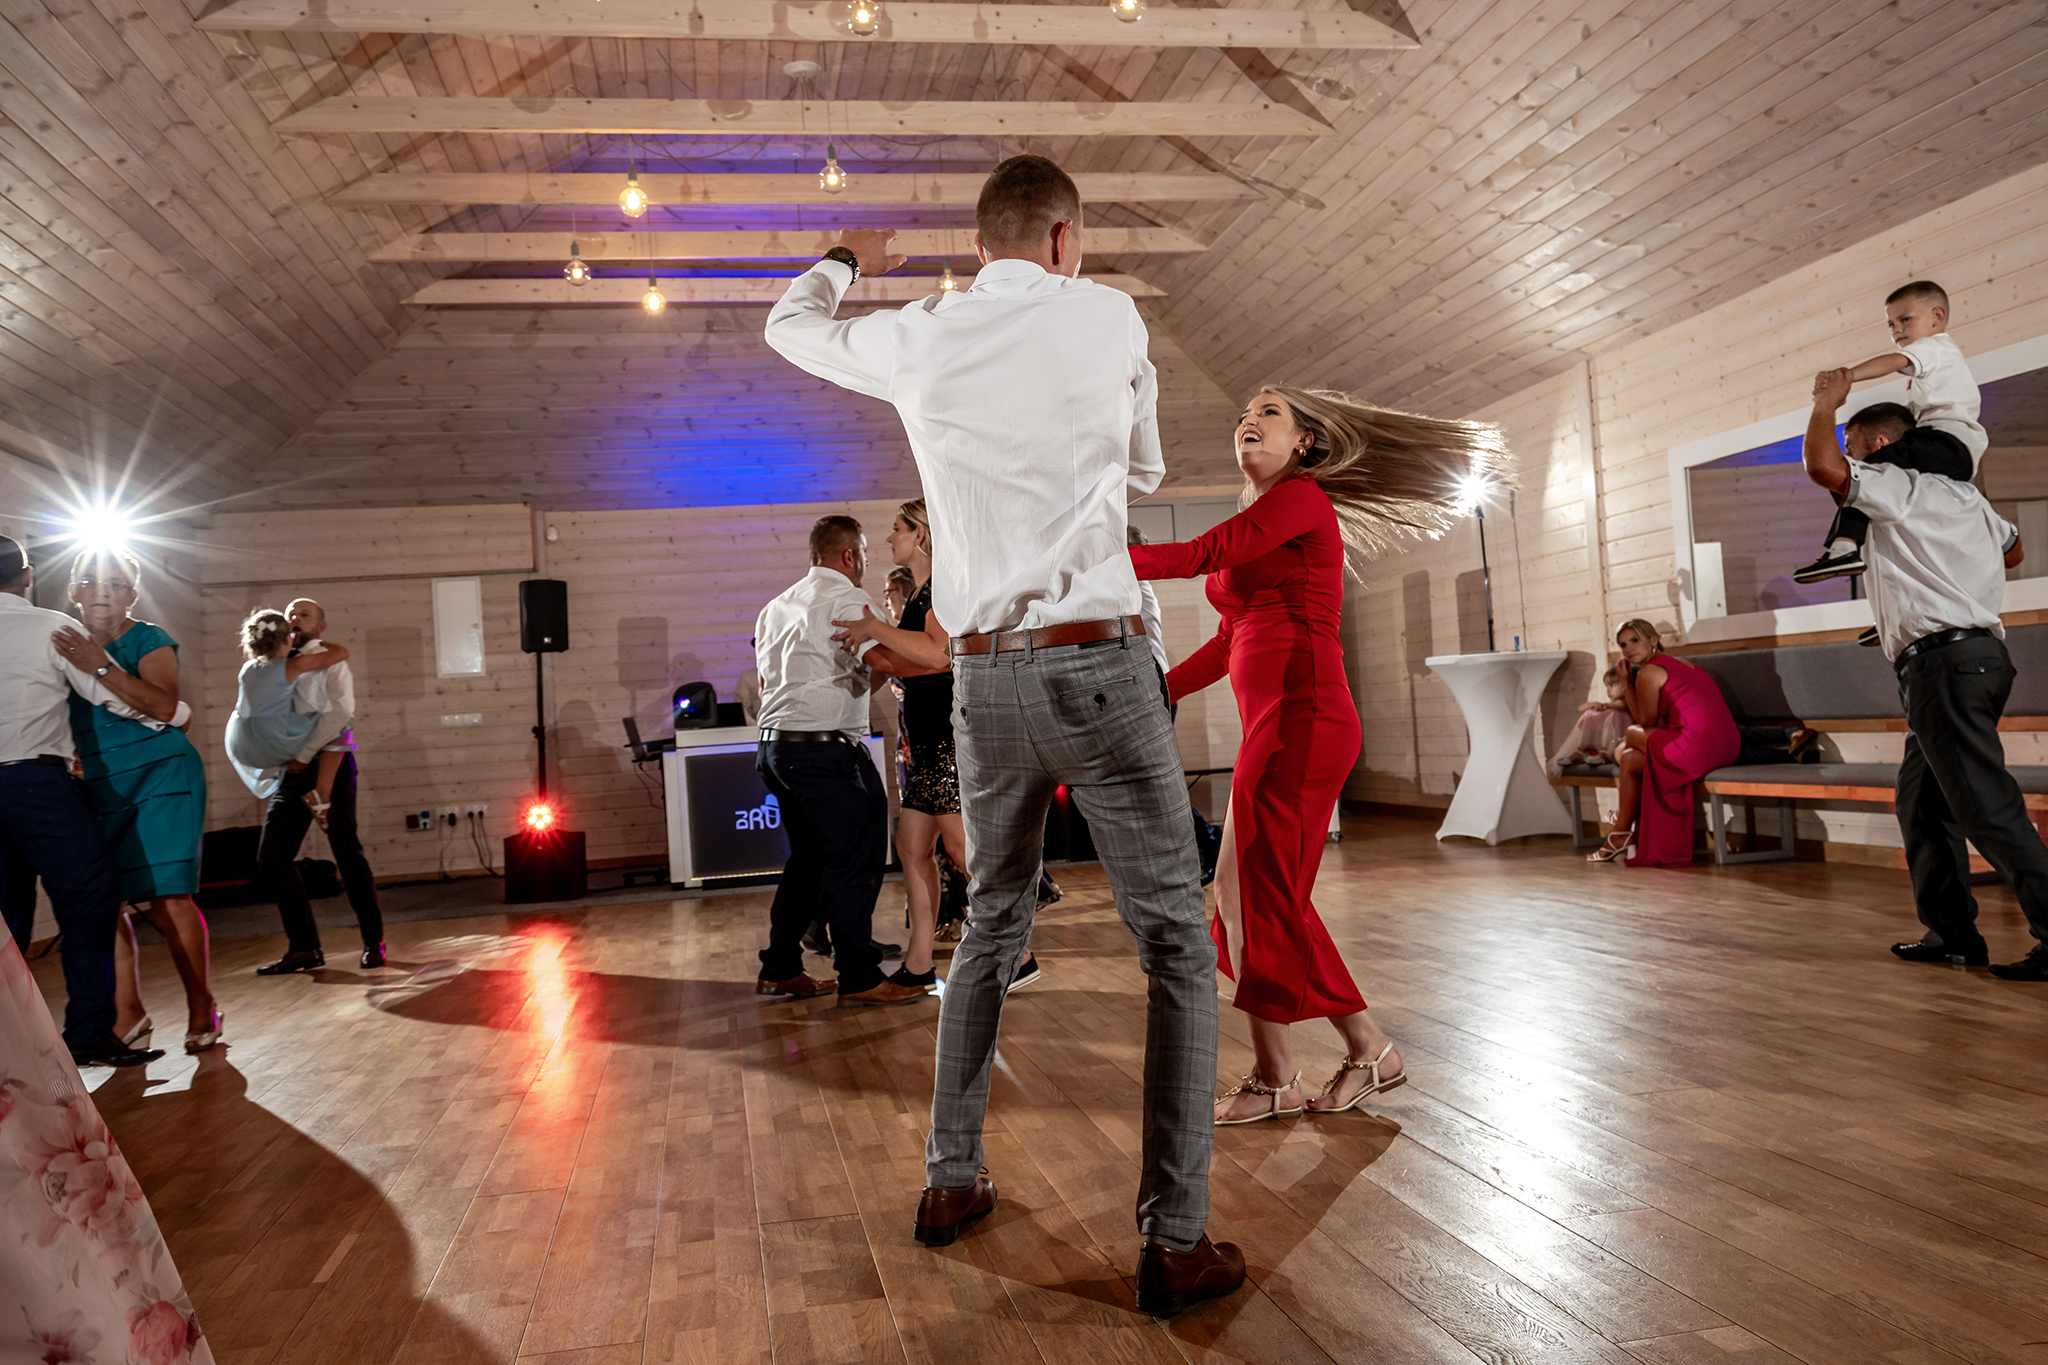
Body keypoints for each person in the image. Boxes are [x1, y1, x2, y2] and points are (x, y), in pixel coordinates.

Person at [770, 153, 1242, 1315]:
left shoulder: (924, 335)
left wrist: (845, 261)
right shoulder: (1107, 316)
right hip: (1100, 661)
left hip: (983, 679)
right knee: (1173, 944)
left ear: (979, 247)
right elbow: (1141, 469)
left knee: (987, 925)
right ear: (1065, 238)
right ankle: (1172, 1239)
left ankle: (949, 1179)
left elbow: (789, 327)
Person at [1132, 385, 1505, 1125]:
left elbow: (1203, 554)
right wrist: (1158, 694)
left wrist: (1103, 557)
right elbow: (1232, 637)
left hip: (1305, 718)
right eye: (1243, 413)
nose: (1248, 420)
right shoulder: (1260, 515)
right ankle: (1281, 1073)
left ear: (1304, 440)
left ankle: (1364, 1047)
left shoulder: (1300, 500)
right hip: (1270, 724)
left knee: (1266, 895)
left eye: (1268, 412)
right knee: (1238, 894)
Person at [1798, 378, 2048, 979]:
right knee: (1922, 802)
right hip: (1975, 659)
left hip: (1944, 667)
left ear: (1881, 444)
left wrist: (1826, 404)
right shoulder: (1966, 498)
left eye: (1856, 445)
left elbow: (1822, 467)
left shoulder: (1896, 484)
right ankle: (1952, 934)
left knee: (1986, 808)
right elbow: (2013, 553)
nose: (1852, 456)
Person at [0, 534, 176, 1068]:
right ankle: (89, 1030)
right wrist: (174, 714)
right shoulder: (52, 627)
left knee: (7, 920)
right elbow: (108, 694)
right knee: (91, 895)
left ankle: (11, 1049)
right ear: (27, 577)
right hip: (35, 784)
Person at [753, 515, 924, 1008]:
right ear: (850, 556)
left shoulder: (775, 607)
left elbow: (771, 684)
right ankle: (859, 975)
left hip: (775, 748)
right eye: (864, 553)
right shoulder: (848, 600)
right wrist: (941, 658)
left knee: (807, 862)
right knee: (855, 862)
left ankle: (780, 967)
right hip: (825, 751)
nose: (866, 562)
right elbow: (883, 663)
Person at [60, 551, 219, 1054]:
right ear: (73, 591)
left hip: (161, 774)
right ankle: (128, 1013)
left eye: (114, 583)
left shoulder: (149, 638)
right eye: (90, 581)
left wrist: (99, 666)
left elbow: (166, 706)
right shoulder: (60, 641)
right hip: (99, 784)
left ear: (131, 594)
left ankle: (201, 1004)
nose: (101, 591)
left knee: (168, 899)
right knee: (101, 900)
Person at [1793, 280, 1986, 589]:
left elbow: (1892, 361)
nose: (1897, 330)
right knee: (1873, 484)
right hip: (1946, 446)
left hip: (1948, 443)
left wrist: (1847, 376)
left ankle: (1844, 546)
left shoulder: (1936, 347)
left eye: (1905, 319)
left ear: (1937, 316)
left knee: (1864, 474)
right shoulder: (1934, 366)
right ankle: (1856, 557)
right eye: (1891, 324)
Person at [251, 598, 387, 975]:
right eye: (290, 614)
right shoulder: (274, 663)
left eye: (304, 614)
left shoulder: (330, 659)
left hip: (331, 762)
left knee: (347, 853)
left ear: (320, 626)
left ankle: (374, 941)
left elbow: (341, 712)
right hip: (294, 768)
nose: (295, 618)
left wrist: (305, 753)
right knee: (271, 857)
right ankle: (304, 947)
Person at [1588, 619, 1741, 866]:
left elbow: (1645, 721)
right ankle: (1620, 832)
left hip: (1699, 747)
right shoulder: (1683, 663)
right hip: (1728, 744)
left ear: (1654, 640)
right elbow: (1660, 721)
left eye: (1635, 640)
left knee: (1632, 735)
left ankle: (1623, 819)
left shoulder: (1648, 673)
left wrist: (1626, 682)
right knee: (1630, 758)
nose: (1629, 649)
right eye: (1623, 645)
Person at [1551, 664, 1631, 773]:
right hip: (1598, 744)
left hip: (1619, 739)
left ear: (1624, 686)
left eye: (1612, 685)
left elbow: (1620, 705)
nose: (1608, 690)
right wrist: (1593, 704)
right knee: (1589, 714)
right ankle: (1581, 751)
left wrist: (1606, 706)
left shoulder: (1627, 702)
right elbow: (1580, 708)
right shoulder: (1609, 706)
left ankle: (1605, 754)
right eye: (1606, 686)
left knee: (1614, 714)